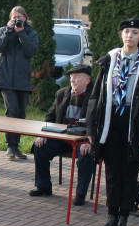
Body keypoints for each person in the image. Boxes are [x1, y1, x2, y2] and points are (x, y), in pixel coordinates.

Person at [85, 17, 139, 226]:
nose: (130, 36)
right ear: (121, 35)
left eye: (134, 32)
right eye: (126, 31)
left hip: (133, 122)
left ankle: (124, 219)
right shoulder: (109, 60)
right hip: (111, 121)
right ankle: (111, 216)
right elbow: (95, 97)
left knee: (129, 173)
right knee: (112, 173)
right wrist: (92, 129)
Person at [29, 65, 96, 205]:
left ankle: (80, 194)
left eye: (77, 77)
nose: (73, 80)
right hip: (63, 138)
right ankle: (43, 186)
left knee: (86, 155)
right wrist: (44, 134)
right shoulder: (62, 93)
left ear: (87, 80)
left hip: (82, 140)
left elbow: (99, 123)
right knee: (40, 147)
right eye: (71, 77)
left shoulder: (96, 97)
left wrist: (90, 142)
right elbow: (50, 117)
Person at [0, 6, 40, 160]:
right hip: (5, 79)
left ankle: (16, 146)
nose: (17, 19)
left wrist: (21, 33)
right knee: (12, 111)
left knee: (20, 114)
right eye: (14, 17)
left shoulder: (31, 34)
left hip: (23, 80)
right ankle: (10, 146)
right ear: (10, 18)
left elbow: (31, 51)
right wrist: (8, 31)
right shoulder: (3, 30)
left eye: (19, 17)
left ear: (25, 18)